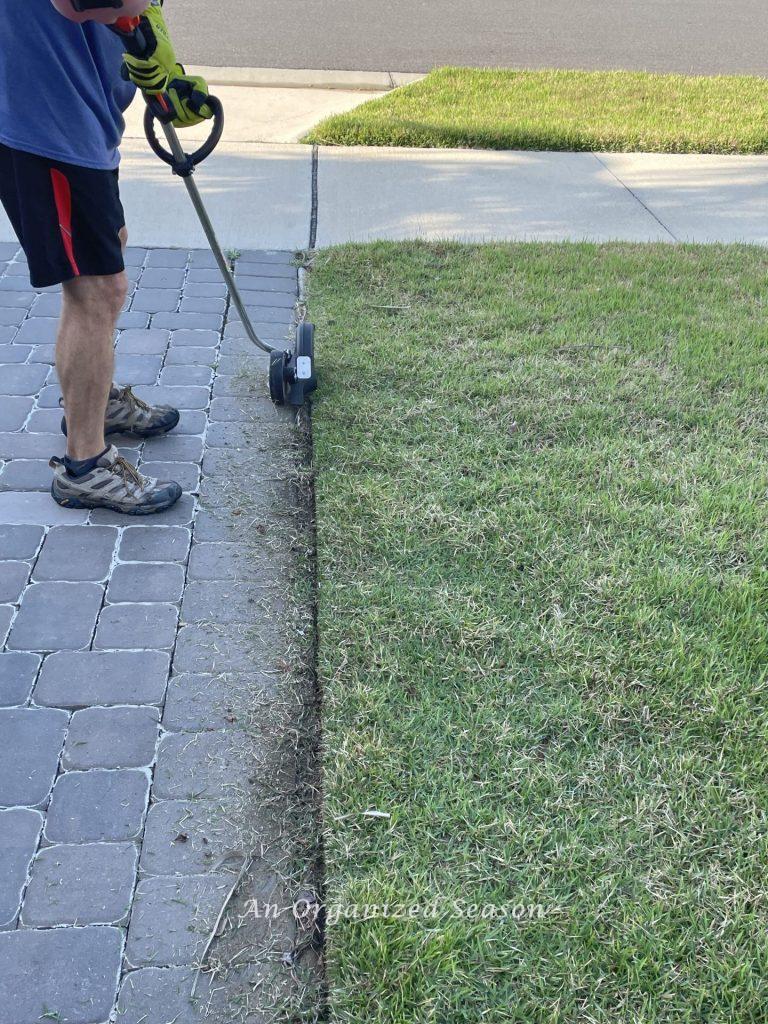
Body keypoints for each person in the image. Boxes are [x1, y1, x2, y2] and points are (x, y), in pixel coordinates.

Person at [0, 0, 213, 514]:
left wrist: (157, 67)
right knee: (96, 288)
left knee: (105, 250)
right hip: (45, 118)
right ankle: (85, 464)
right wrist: (140, 29)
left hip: (79, 110)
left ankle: (92, 405)